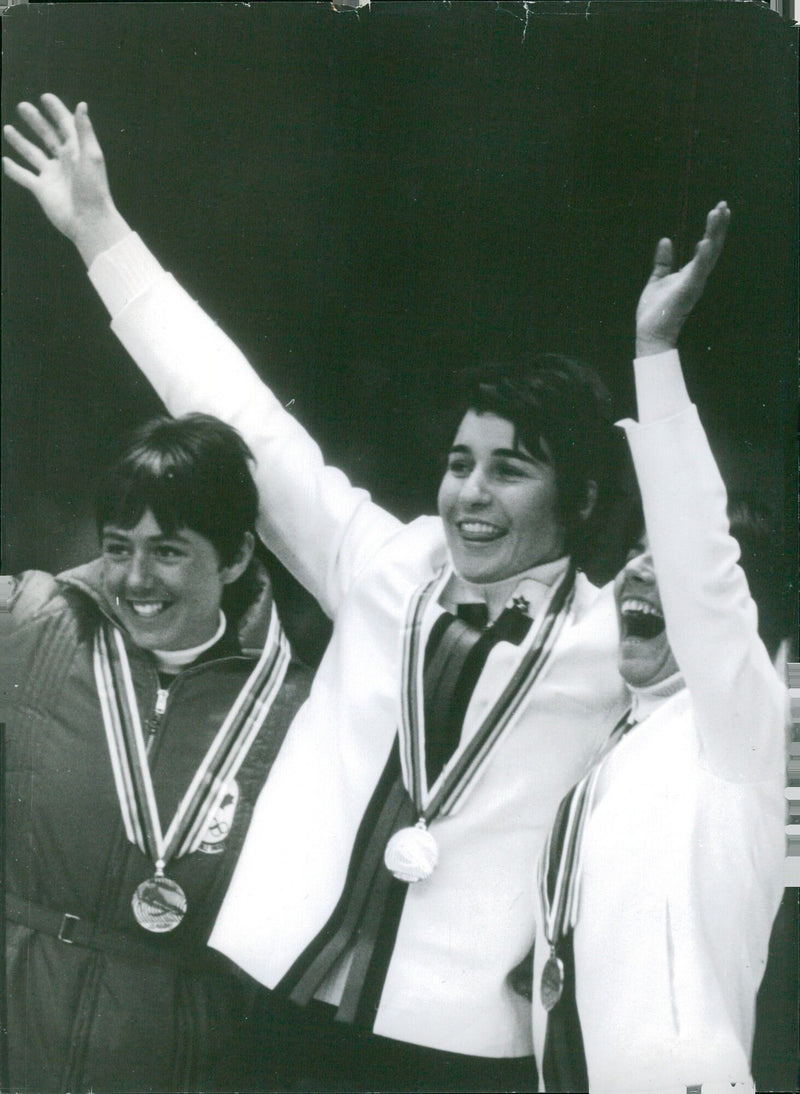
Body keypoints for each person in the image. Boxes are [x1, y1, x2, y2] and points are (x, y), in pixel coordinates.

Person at [5, 94, 628, 1090]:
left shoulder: (619, 648)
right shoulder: (381, 565)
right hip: (272, 1006)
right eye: (459, 460)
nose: (469, 491)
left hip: (460, 1045)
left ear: (581, 494)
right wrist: (99, 232)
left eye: (510, 468)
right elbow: (235, 408)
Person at [527, 206, 787, 1092]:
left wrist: (656, 358)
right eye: (636, 551)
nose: (643, 568)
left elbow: (704, 570)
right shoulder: (624, 736)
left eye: (663, 557)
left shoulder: (736, 725)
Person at [0, 413, 313, 1094]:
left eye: (168, 551)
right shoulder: (27, 625)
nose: (136, 577)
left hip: (173, 1066)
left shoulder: (297, 709)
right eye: (119, 547)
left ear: (233, 558)